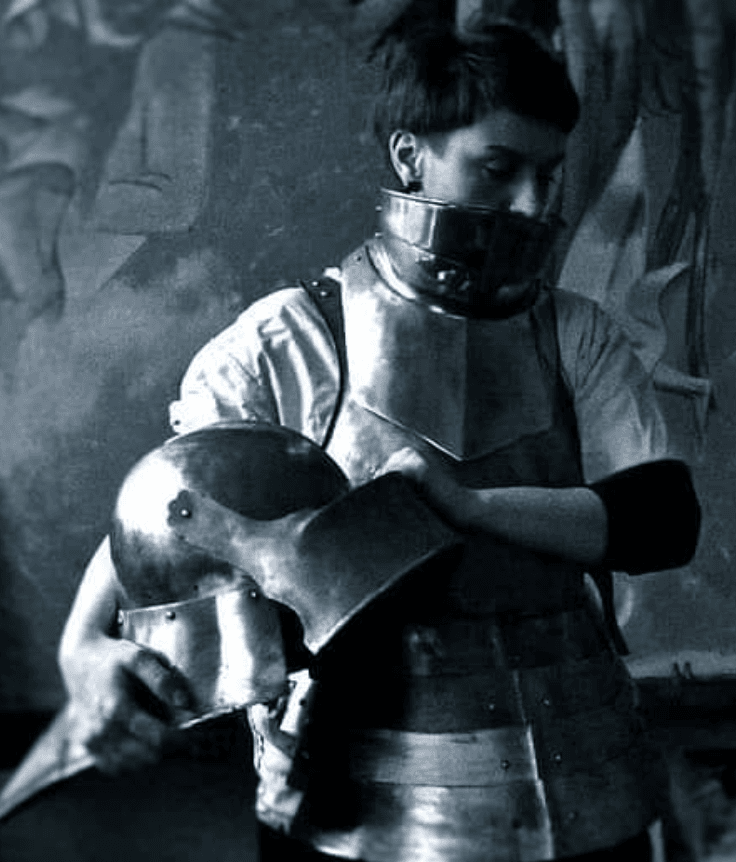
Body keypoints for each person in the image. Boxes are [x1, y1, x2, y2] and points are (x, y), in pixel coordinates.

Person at [56, 15, 701, 862]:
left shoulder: (575, 332)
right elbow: (177, 505)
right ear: (409, 156)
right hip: (343, 792)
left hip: (578, 775)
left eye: (547, 175)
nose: (532, 205)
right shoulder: (286, 338)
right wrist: (81, 644)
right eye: (498, 169)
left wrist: (469, 505)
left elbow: (660, 520)